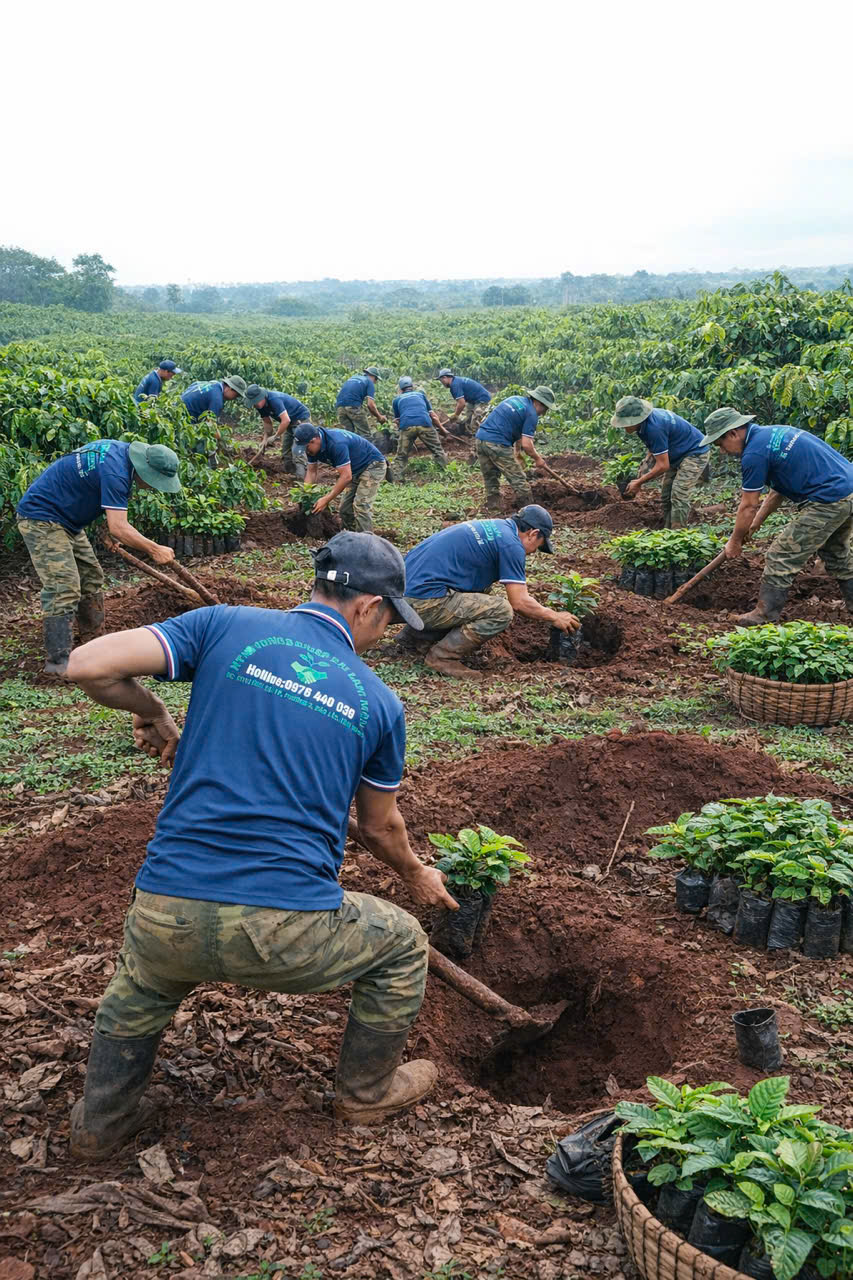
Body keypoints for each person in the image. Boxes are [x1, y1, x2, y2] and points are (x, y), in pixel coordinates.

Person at [64, 532, 457, 1159]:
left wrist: (151, 709)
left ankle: (101, 1123)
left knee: (141, 986)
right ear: (367, 607)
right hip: (284, 930)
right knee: (403, 941)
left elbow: (86, 665)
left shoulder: (223, 625)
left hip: (167, 910)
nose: (382, 634)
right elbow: (380, 827)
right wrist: (415, 874)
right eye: (388, 620)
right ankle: (366, 1093)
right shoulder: (379, 703)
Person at [16, 442, 182, 676]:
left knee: (91, 577)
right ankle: (58, 665)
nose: (153, 487)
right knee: (63, 587)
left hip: (68, 521)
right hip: (41, 517)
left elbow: (90, 486)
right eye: (155, 480)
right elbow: (119, 527)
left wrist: (110, 528)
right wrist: (154, 549)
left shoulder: (119, 455)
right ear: (145, 469)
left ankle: (92, 644)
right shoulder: (117, 473)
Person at [701, 407, 853, 624]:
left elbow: (748, 505)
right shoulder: (772, 434)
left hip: (830, 499)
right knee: (836, 553)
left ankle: (764, 615)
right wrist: (756, 523)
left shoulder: (754, 453)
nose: (723, 451)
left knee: (780, 554)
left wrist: (734, 541)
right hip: (847, 490)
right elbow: (777, 490)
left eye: (719, 444)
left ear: (733, 433)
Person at [400, 505, 579, 677]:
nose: (533, 552)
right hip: (421, 601)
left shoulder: (497, 527)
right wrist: (554, 616)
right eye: (539, 546)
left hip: (401, 592)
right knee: (501, 611)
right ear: (533, 534)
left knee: (482, 588)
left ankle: (415, 638)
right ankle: (443, 657)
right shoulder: (511, 545)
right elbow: (519, 602)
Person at [611, 397, 710, 528]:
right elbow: (655, 446)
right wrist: (646, 465)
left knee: (679, 494)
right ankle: (667, 529)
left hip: (695, 452)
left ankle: (679, 534)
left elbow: (663, 465)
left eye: (625, 422)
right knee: (666, 496)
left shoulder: (654, 428)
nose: (623, 426)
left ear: (636, 419)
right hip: (676, 453)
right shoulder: (644, 424)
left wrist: (639, 482)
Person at [294, 423, 387, 533]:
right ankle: (350, 536)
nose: (306, 452)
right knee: (345, 509)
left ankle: (366, 539)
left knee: (361, 506)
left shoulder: (336, 444)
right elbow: (311, 471)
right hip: (354, 469)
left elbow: (346, 476)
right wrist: (306, 493)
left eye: (306, 448)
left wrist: (326, 499)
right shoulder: (312, 448)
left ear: (314, 440)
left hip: (373, 465)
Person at [475, 386, 554, 514]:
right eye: (545, 409)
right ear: (539, 402)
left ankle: (493, 510)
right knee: (519, 481)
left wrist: (517, 452)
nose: (543, 413)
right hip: (497, 443)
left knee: (490, 478)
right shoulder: (531, 413)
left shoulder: (516, 399)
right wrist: (538, 459)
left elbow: (516, 429)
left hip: (481, 439)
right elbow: (527, 444)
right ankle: (530, 514)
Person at [245, 383, 312, 477]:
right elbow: (267, 422)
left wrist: (275, 436)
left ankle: (301, 477)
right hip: (289, 423)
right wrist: (265, 439)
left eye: (255, 402)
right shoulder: (260, 406)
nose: (254, 405)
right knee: (285, 451)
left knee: (297, 449)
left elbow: (286, 420)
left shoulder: (274, 399)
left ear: (262, 397)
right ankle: (291, 474)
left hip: (301, 419)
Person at [392, 377, 448, 480]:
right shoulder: (421, 395)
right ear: (412, 386)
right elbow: (433, 416)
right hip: (424, 424)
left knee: (401, 456)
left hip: (407, 426)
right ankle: (446, 474)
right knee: (438, 451)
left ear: (400, 389)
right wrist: (442, 429)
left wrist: (402, 430)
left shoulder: (396, 400)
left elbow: (397, 420)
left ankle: (396, 478)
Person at [335, 367, 387, 439]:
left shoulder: (353, 378)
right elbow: (370, 405)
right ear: (373, 376)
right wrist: (380, 417)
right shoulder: (369, 382)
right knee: (365, 435)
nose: (375, 382)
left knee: (348, 435)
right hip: (353, 406)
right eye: (376, 379)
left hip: (340, 407)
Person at [437, 368, 491, 436]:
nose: (441, 383)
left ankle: (475, 437)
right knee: (466, 418)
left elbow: (461, 403)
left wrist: (456, 415)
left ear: (444, 377)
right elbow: (461, 402)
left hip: (482, 399)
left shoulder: (455, 385)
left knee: (475, 422)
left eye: (441, 380)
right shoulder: (456, 380)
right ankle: (464, 433)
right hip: (472, 400)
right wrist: (457, 414)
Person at [180, 375, 247, 422]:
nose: (235, 398)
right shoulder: (217, 399)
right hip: (183, 418)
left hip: (177, 408)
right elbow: (211, 425)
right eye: (236, 395)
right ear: (230, 388)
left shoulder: (214, 383)